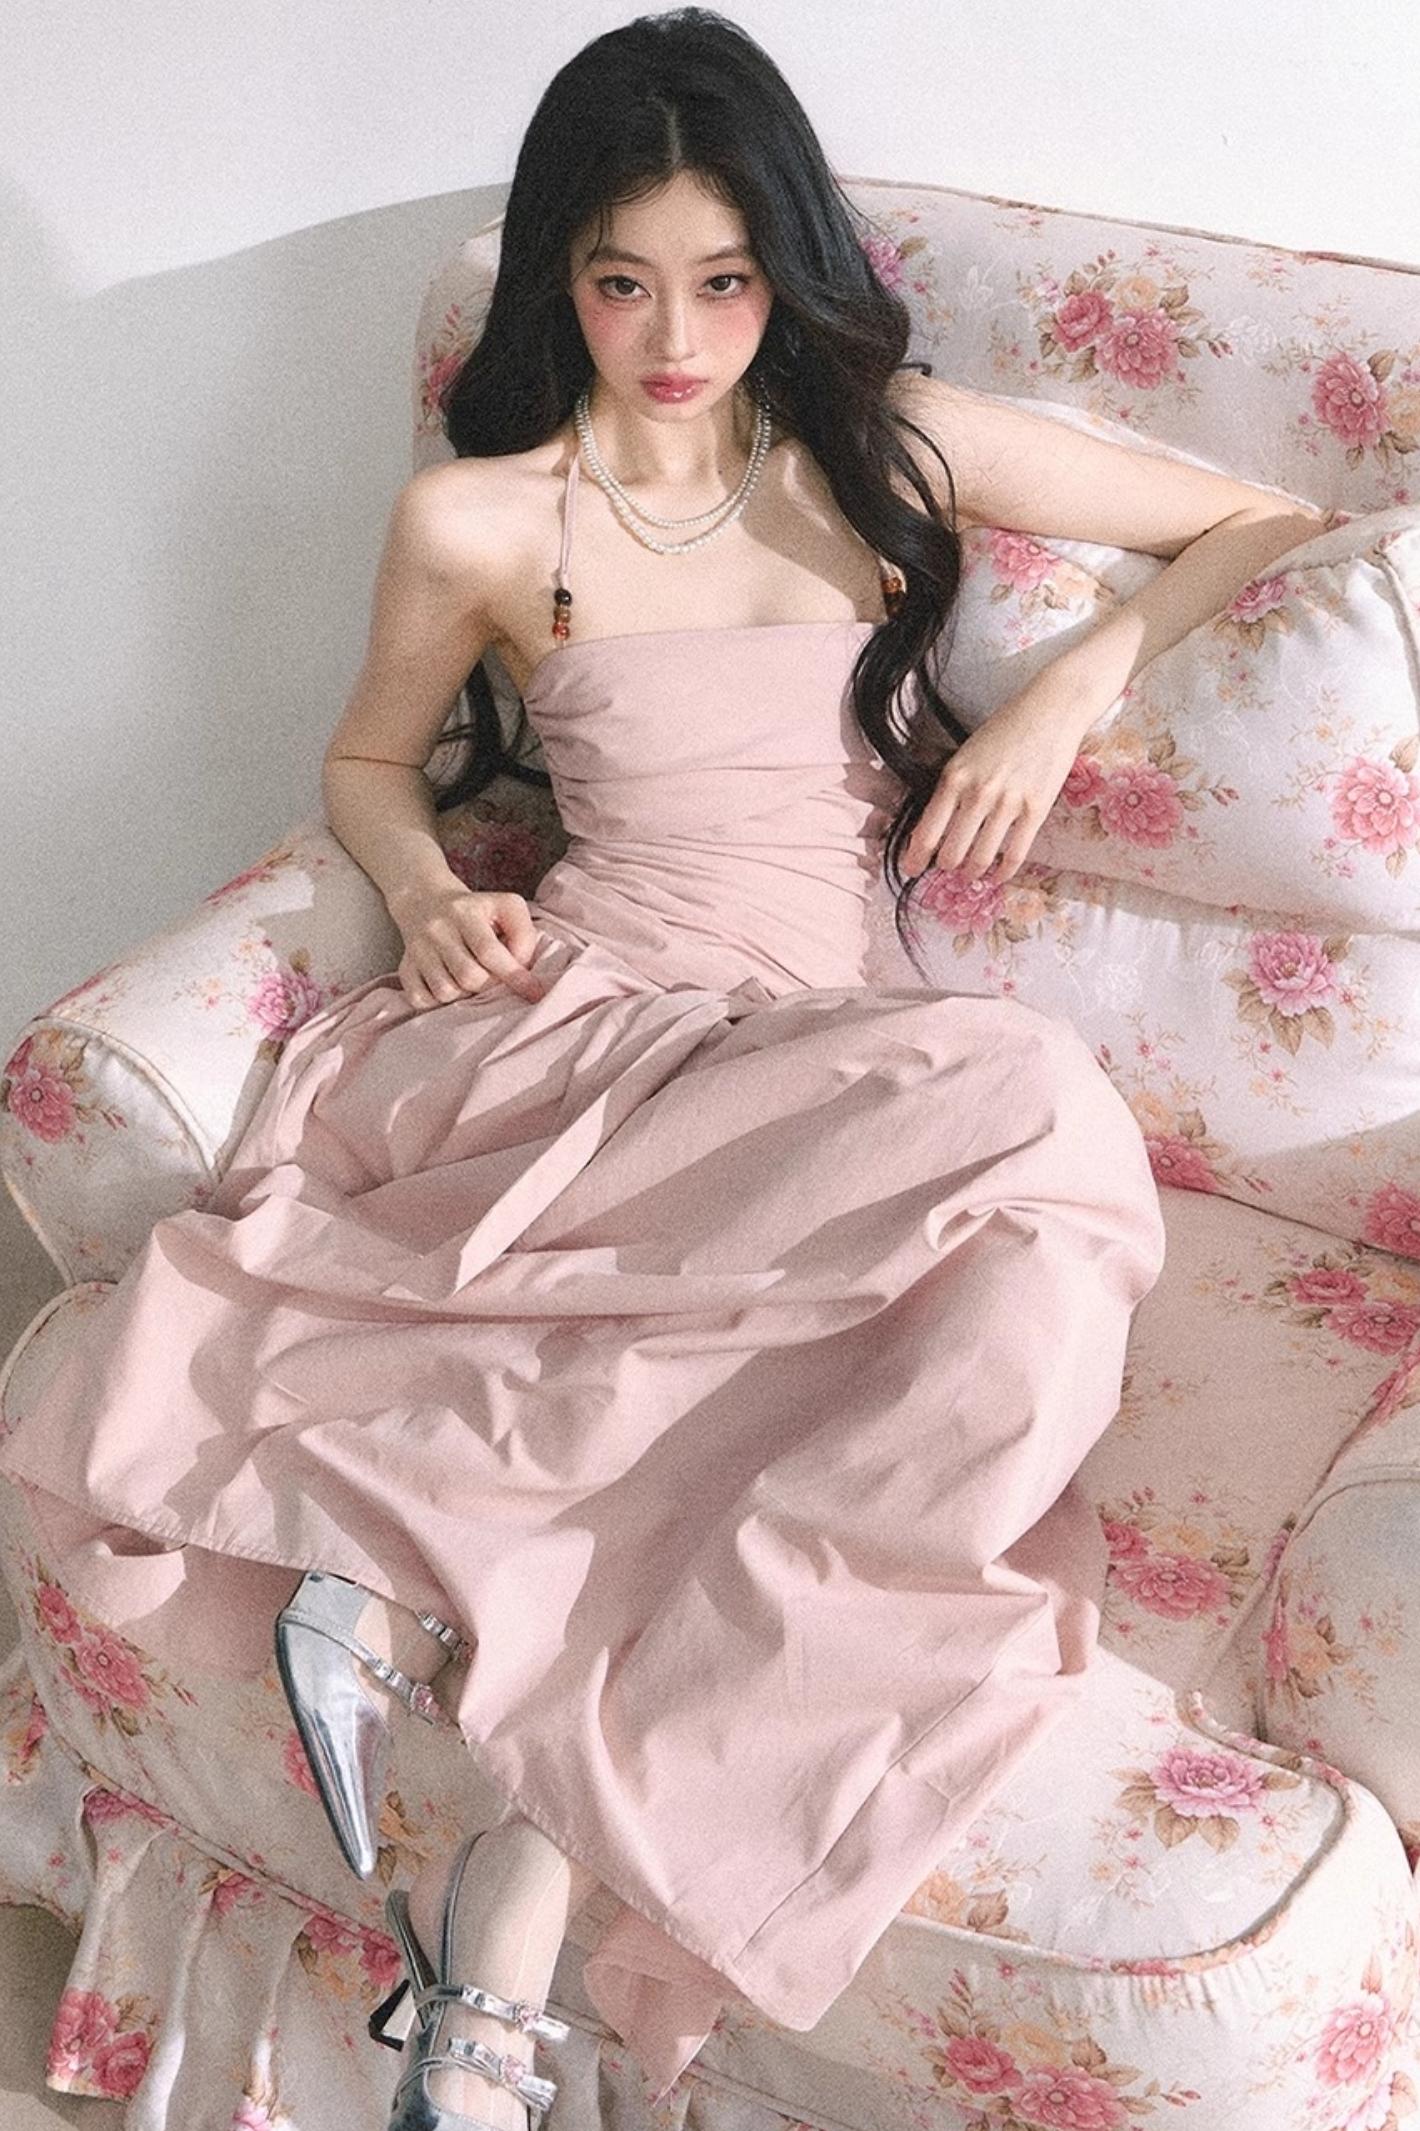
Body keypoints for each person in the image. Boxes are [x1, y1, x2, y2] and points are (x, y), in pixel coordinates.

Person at [0, 11, 1325, 2129]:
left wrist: (1058, 693)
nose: (679, 337)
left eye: (724, 281)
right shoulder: (480, 516)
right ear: (561, 278)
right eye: (624, 284)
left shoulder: (881, 450)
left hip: (828, 1060)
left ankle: (500, 1932)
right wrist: (423, 890)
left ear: (784, 271)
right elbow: (366, 762)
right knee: (1030, 1124)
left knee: (1009, 1321)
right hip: (592, 1046)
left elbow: (1260, 516)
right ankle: (426, 1639)